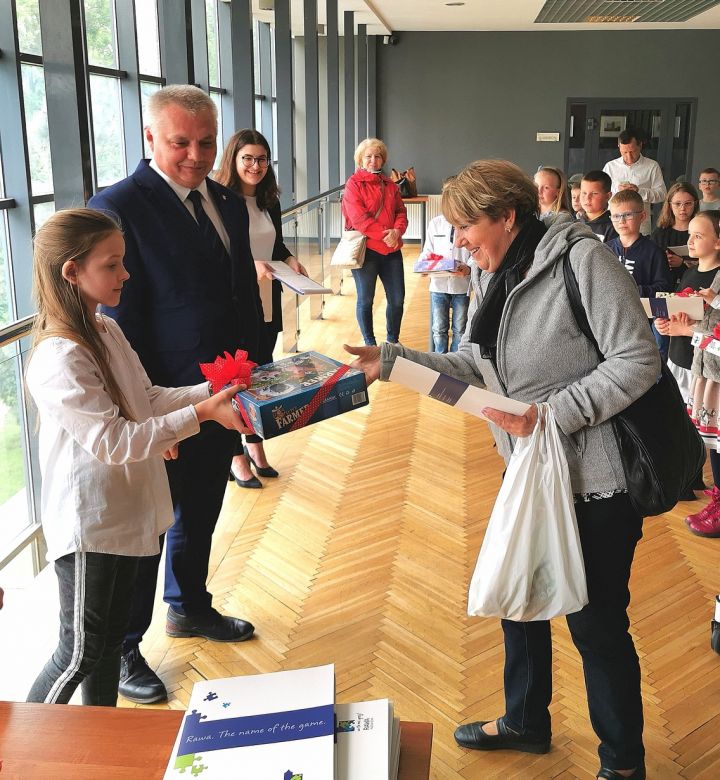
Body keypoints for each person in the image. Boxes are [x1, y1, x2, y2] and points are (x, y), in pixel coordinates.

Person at [346, 160, 658, 780]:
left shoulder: (582, 260)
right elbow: (473, 364)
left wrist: (552, 415)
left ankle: (623, 763)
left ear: (507, 216)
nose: (459, 241)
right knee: (521, 596)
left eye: (466, 227)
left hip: (596, 480)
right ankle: (525, 720)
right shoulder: (496, 271)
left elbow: (638, 359)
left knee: (596, 626)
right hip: (531, 470)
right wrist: (393, 360)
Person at [88, 85, 270, 705]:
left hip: (223, 392)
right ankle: (123, 647)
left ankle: (189, 604)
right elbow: (119, 323)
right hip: (163, 400)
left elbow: (240, 292)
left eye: (207, 142)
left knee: (204, 506)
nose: (196, 155)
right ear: (149, 138)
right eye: (180, 142)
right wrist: (146, 417)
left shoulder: (226, 200)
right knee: (149, 531)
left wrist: (255, 376)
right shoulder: (117, 206)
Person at [24, 208, 248, 706]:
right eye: (112, 264)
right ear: (71, 271)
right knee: (77, 653)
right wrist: (202, 414)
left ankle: (98, 735)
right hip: (90, 525)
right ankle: (20, 744)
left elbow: (145, 399)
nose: (125, 274)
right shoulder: (60, 357)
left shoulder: (105, 330)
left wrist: (210, 393)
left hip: (124, 513)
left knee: (107, 645)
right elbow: (114, 441)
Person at [214, 128, 306, 489]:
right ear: (233, 160)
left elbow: (276, 245)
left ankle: (255, 447)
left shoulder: (269, 200)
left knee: (260, 378)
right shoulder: (219, 201)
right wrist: (248, 265)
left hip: (267, 301)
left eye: (262, 159)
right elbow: (216, 254)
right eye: (248, 158)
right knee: (234, 380)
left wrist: (291, 259)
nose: (255, 166)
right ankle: (235, 457)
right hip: (235, 303)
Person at [657, 211, 720, 534]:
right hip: (702, 370)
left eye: (698, 235)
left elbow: (714, 334)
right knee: (712, 442)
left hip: (714, 374)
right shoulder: (695, 273)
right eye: (690, 235)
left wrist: (688, 331)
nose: (690, 241)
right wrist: (675, 323)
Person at [342, 138, 408, 346]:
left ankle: (392, 343)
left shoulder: (390, 185)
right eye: (368, 156)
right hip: (366, 251)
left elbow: (400, 211)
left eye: (377, 156)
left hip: (391, 250)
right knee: (366, 300)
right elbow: (359, 219)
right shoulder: (353, 185)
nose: (373, 160)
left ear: (383, 160)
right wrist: (385, 235)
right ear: (360, 160)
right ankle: (369, 344)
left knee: (397, 300)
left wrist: (397, 231)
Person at [607, 190, 673, 361]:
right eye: (616, 216)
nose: (621, 221)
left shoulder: (654, 252)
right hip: (612, 322)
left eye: (628, 215)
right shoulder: (605, 249)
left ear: (642, 216)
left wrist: (635, 290)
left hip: (643, 324)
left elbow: (664, 289)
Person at [417, 212, 472, 353]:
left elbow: (474, 253)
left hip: (461, 286)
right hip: (438, 286)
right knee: (438, 329)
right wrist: (422, 265)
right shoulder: (435, 223)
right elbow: (428, 251)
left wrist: (468, 269)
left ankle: (456, 359)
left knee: (460, 329)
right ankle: (440, 360)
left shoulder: (470, 221)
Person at [603, 128, 667, 235]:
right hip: (614, 224)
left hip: (640, 225)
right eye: (624, 152)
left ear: (640, 145)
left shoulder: (652, 166)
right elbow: (602, 194)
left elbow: (662, 195)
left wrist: (639, 191)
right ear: (619, 147)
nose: (629, 156)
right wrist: (617, 190)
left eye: (632, 151)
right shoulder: (610, 167)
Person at [651, 182, 699, 288]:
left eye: (688, 203)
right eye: (677, 204)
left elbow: (710, 264)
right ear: (670, 205)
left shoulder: (701, 232)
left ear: (695, 204)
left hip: (694, 287)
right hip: (664, 287)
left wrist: (682, 263)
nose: (682, 208)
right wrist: (662, 260)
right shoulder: (660, 233)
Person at [580, 171, 618, 243]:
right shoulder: (575, 222)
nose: (587, 198)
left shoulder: (614, 226)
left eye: (594, 193)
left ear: (608, 196)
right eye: (584, 193)